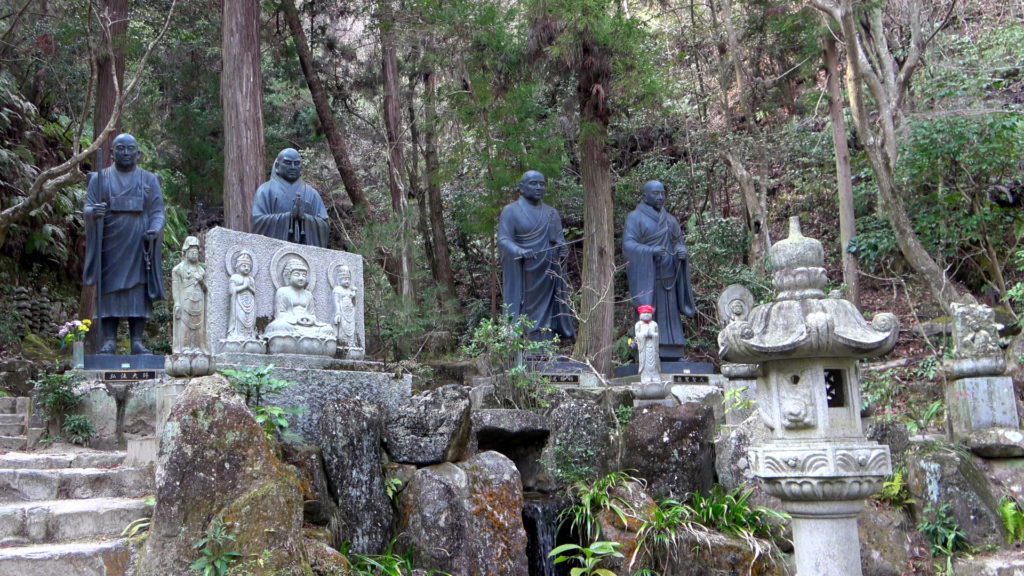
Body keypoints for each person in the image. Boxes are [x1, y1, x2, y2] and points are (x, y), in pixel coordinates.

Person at [83, 133, 165, 354]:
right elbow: (88, 207)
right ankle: (109, 340)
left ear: (138, 153)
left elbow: (157, 211)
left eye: (130, 149)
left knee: (138, 291)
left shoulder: (149, 180)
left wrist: (155, 230)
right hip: (110, 242)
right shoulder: (100, 179)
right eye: (121, 148)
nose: (126, 153)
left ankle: (136, 340)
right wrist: (94, 212)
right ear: (112, 153)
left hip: (138, 243)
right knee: (109, 291)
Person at [497, 170, 575, 341]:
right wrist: (520, 251)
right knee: (524, 308)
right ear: (522, 188)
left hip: (547, 271)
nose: (539, 187)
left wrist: (562, 251)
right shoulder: (510, 211)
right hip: (524, 271)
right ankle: (523, 345)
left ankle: (546, 346)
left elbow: (559, 241)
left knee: (547, 310)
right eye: (533, 183)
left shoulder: (551, 213)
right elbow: (503, 239)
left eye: (542, 183)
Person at [623, 180, 696, 360]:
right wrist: (650, 251)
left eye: (662, 193)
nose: (660, 197)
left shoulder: (670, 220)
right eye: (656, 194)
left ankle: (674, 350)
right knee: (649, 313)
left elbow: (678, 241)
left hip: (669, 275)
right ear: (645, 196)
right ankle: (647, 352)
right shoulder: (635, 218)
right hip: (648, 276)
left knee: (670, 316)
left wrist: (681, 251)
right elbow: (628, 245)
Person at [251, 148, 329, 247]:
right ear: (277, 166)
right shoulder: (265, 190)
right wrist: (289, 217)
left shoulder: (312, 194)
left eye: (296, 163)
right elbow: (257, 222)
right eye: (287, 163)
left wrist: (304, 218)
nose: (292, 167)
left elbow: (324, 226)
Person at [171, 236, 207, 354]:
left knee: (198, 327)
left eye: (196, 252)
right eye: (191, 252)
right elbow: (176, 288)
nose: (194, 254)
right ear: (185, 252)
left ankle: (197, 348)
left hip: (199, 302)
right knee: (184, 325)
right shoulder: (178, 270)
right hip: (184, 301)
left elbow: (206, 290)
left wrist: (201, 281)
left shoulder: (201, 271)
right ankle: (184, 347)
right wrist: (177, 302)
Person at [226, 251, 258, 343]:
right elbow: (232, 291)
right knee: (240, 318)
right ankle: (237, 335)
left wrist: (250, 288)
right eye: (244, 266)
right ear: (238, 267)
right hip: (238, 302)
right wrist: (245, 286)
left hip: (250, 302)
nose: (246, 268)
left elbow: (254, 292)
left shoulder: (251, 279)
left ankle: (249, 335)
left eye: (248, 266)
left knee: (250, 320)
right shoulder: (234, 277)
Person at [332, 265, 359, 350]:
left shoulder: (350, 290)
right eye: (344, 279)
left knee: (351, 328)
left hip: (350, 312)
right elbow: (336, 302)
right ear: (339, 280)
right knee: (343, 328)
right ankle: (343, 342)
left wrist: (353, 296)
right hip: (342, 312)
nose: (347, 281)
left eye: (348, 279)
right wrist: (337, 313)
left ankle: (351, 343)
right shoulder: (337, 290)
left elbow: (354, 304)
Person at [635, 305, 661, 385]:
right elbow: (637, 335)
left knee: (654, 361)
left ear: (651, 314)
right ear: (640, 314)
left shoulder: (654, 324)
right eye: (644, 313)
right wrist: (645, 334)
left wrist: (653, 334)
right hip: (644, 346)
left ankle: (655, 376)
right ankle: (645, 376)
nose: (646, 314)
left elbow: (657, 335)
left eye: (648, 313)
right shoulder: (638, 324)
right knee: (644, 361)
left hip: (653, 346)